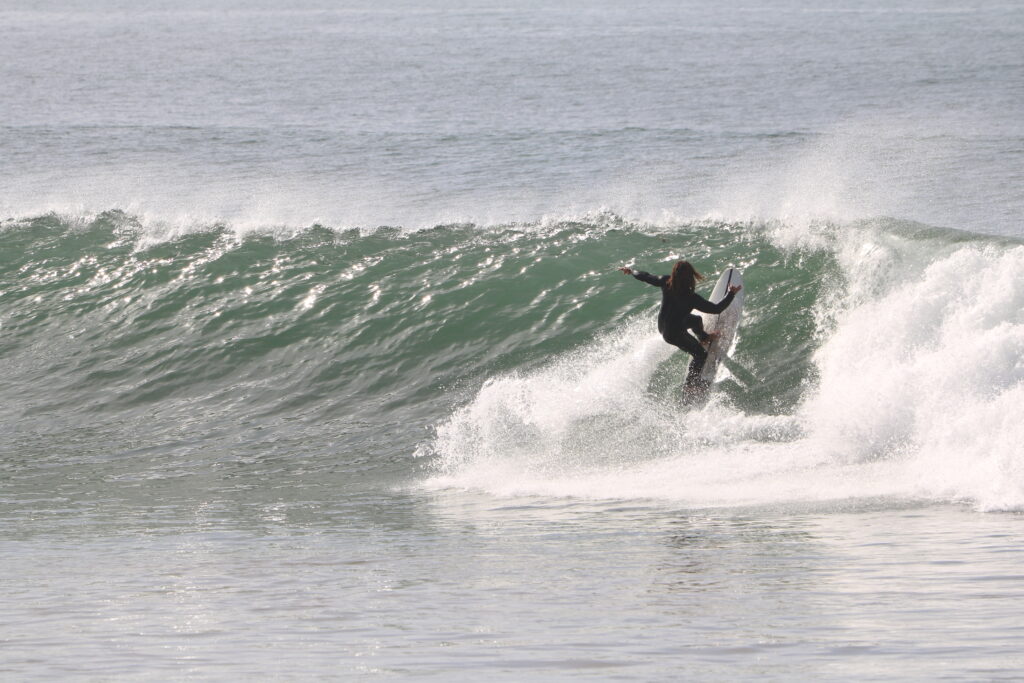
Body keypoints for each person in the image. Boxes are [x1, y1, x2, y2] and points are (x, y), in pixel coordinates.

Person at [619, 260, 742, 395]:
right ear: (691, 277)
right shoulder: (691, 297)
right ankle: (690, 386)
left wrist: (631, 271)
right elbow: (716, 309)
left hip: (664, 326)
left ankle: (704, 337)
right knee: (700, 355)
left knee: (696, 320)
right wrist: (731, 294)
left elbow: (646, 277)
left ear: (674, 274)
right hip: (674, 334)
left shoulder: (666, 282)